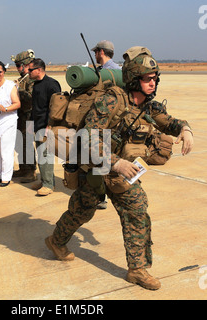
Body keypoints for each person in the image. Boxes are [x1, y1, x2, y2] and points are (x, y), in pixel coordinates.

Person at [45, 46, 193, 290]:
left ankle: (137, 270)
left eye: (155, 78)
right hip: (94, 168)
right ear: (135, 78)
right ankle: (55, 240)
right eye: (147, 79)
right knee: (82, 211)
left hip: (122, 173)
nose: (153, 83)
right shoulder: (111, 100)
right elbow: (89, 137)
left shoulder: (148, 105)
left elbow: (169, 122)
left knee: (137, 211)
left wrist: (185, 129)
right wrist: (117, 162)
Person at [92, 41, 120, 210]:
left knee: (99, 158)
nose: (95, 55)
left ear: (101, 52)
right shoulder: (120, 70)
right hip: (116, 121)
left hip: (102, 122)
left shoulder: (106, 72)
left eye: (96, 52)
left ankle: (100, 196)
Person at [28, 58, 61, 196]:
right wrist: (30, 123)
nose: (28, 72)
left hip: (47, 126)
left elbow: (57, 107)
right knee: (41, 155)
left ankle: (48, 185)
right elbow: (35, 106)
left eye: (30, 70)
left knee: (45, 155)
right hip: (37, 124)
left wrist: (49, 125)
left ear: (39, 70)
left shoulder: (52, 84)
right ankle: (45, 180)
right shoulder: (36, 85)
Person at [0, 61, 21, 187]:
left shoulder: (9, 85)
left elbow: (17, 103)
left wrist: (5, 109)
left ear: (4, 72)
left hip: (8, 120)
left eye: (0, 71)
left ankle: (6, 177)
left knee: (6, 150)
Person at [11, 50, 37, 183]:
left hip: (28, 116)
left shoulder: (31, 79)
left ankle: (30, 171)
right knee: (19, 143)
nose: (17, 68)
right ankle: (23, 168)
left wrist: (17, 90)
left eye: (19, 65)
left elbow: (31, 98)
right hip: (21, 116)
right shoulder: (23, 79)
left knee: (26, 143)